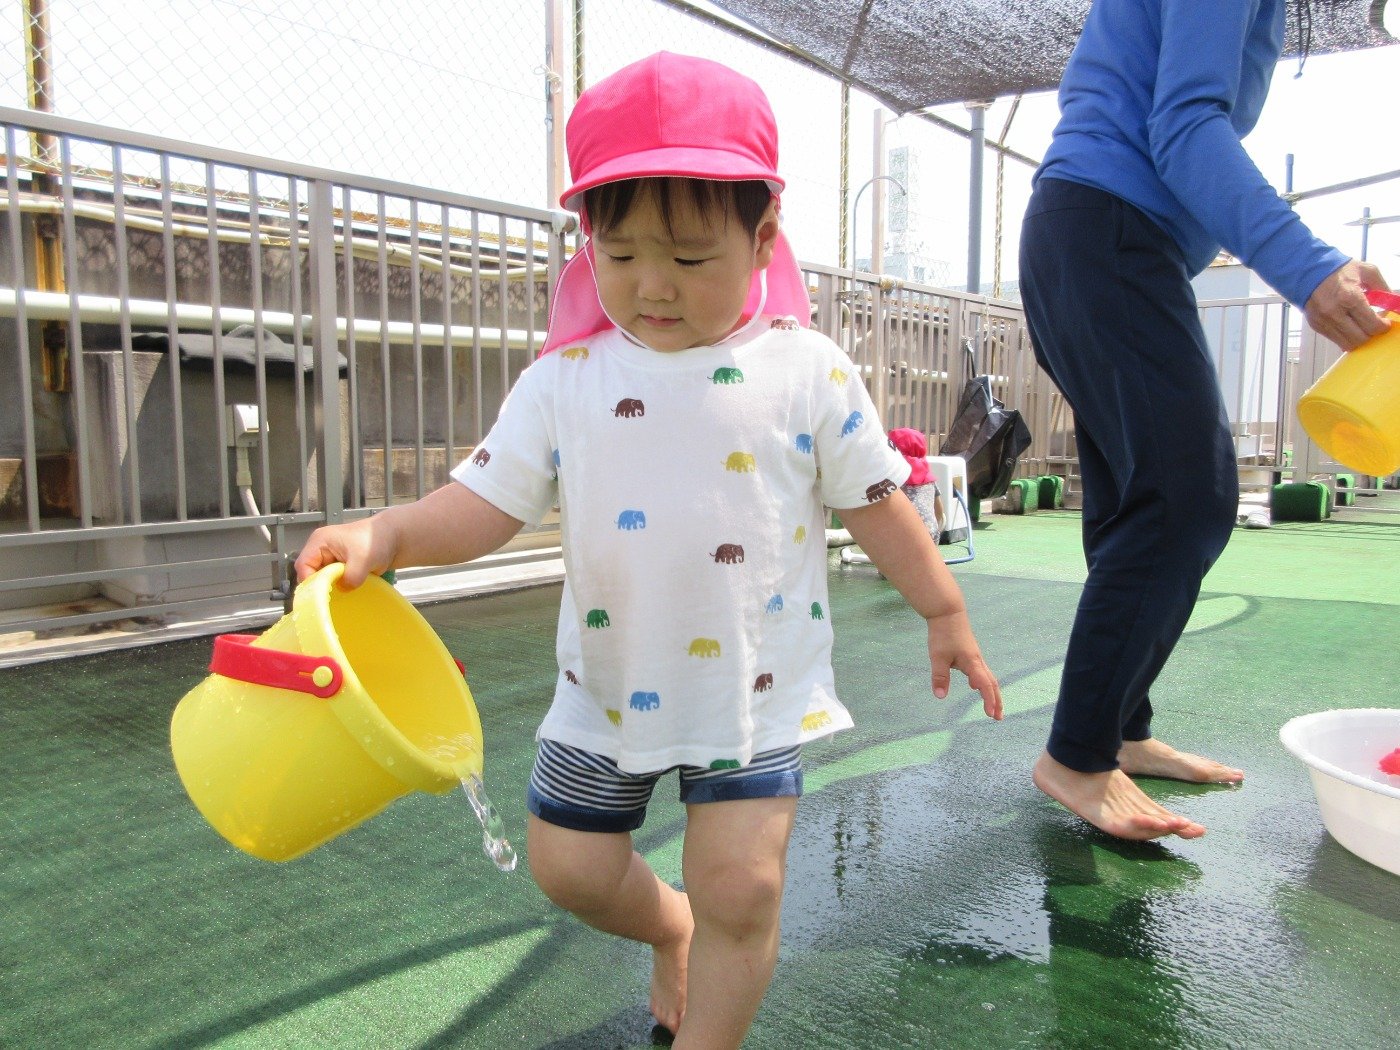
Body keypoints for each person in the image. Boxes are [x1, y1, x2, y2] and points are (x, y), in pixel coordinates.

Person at [295, 52, 1002, 1048]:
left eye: (691, 258)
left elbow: (877, 501)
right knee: (571, 869)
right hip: (604, 690)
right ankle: (670, 926)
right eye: (620, 254)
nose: (652, 285)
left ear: (762, 239)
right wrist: (391, 532)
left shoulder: (806, 370)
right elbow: (482, 503)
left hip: (750, 694)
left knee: (742, 888)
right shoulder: (566, 380)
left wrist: (942, 607)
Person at [1017, 0, 1390, 842]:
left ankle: (1119, 730)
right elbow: (1185, 129)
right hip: (1108, 230)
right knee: (1183, 496)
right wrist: (1306, 265)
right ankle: (1077, 755)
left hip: (1089, 233)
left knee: (1135, 501)